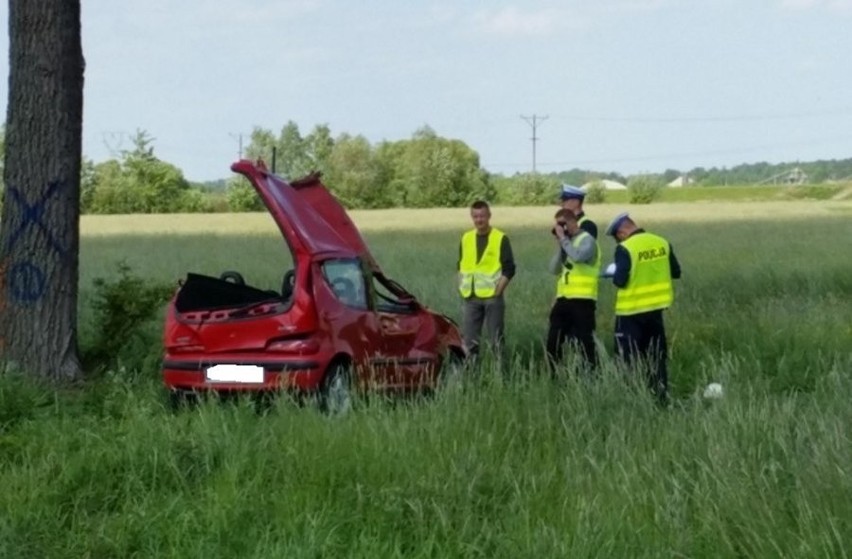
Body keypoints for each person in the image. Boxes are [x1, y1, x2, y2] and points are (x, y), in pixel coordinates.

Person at [605, 212, 682, 405]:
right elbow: (676, 272)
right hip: (656, 311)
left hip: (630, 312)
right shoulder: (661, 242)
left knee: (627, 359)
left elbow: (620, 281)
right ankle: (661, 398)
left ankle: (632, 399)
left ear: (622, 232)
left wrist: (612, 273)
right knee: (656, 357)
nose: (617, 241)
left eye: (616, 237)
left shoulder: (625, 248)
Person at [457, 200, 516, 359]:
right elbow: (461, 265)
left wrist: (498, 291)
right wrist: (461, 286)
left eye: (482, 216)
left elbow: (509, 268)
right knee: (469, 342)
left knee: (496, 341)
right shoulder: (466, 238)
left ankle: (499, 377)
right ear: (471, 217)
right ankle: (471, 376)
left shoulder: (500, 238)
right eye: (475, 216)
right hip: (471, 297)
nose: (479, 220)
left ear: (489, 216)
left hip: (492, 298)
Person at [546, 208, 601, 374]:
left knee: (585, 342)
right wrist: (561, 244)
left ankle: (590, 375)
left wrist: (564, 239)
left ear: (572, 222)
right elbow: (553, 269)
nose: (561, 229)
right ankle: (555, 374)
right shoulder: (566, 243)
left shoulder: (587, 240)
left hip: (583, 300)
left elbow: (578, 256)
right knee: (553, 341)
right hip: (563, 300)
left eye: (563, 224)